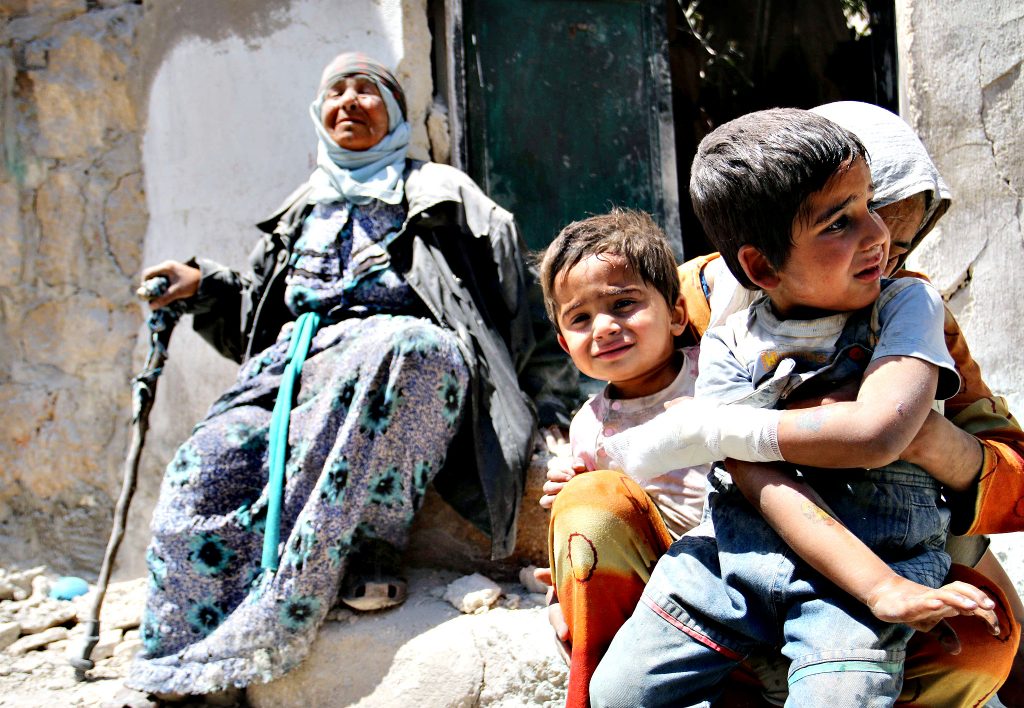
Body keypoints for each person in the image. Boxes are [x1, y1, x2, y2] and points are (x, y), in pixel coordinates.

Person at [542, 102, 1024, 708]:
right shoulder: (689, 301)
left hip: (878, 549)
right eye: (849, 219)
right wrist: (570, 585)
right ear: (762, 259)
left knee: (979, 637)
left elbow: (1005, 477)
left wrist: (928, 439)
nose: (882, 250)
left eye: (903, 241)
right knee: (591, 507)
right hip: (725, 552)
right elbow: (678, 441)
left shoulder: (909, 308)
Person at [126, 53, 575, 697]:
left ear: (394, 114)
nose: (350, 101)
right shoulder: (299, 211)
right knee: (206, 462)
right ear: (319, 112)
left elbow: (513, 303)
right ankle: (184, 666)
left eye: (369, 91)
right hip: (293, 366)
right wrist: (201, 286)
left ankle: (367, 547)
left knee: (419, 348)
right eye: (336, 90)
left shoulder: (445, 197)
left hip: (391, 356)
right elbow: (257, 315)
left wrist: (553, 403)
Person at [537, 209, 712, 707]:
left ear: (678, 314)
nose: (605, 327)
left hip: (742, 555)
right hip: (656, 578)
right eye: (580, 318)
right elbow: (599, 533)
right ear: (564, 344)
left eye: (624, 303)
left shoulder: (716, 369)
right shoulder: (589, 425)